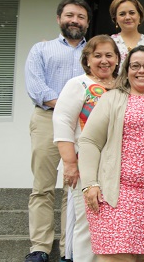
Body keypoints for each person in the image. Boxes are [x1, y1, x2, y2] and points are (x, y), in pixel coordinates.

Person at [77, 46, 144, 261]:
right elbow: (89, 141)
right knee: (116, 256)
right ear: (126, 71)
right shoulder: (111, 99)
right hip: (115, 196)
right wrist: (90, 182)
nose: (142, 71)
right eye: (135, 66)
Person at [24, 0, 91, 262]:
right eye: (70, 15)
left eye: (81, 17)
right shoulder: (42, 49)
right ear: (59, 19)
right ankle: (40, 247)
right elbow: (37, 88)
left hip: (84, 125)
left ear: (87, 22)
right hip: (46, 120)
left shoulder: (94, 51)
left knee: (73, 187)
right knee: (43, 186)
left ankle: (69, 249)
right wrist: (69, 107)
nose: (75, 20)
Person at [53, 35, 120, 262]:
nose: (104, 61)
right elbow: (62, 123)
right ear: (87, 59)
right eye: (97, 55)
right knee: (86, 221)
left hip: (117, 166)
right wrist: (70, 163)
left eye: (109, 55)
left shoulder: (124, 86)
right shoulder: (78, 84)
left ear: (118, 59)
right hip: (85, 165)